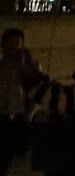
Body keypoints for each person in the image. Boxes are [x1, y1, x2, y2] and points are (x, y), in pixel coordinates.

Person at [1, 28, 40, 175]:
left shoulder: (32, 66)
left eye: (17, 43)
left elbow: (38, 91)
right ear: (2, 45)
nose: (13, 47)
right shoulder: (2, 66)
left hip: (20, 118)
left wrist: (24, 66)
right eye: (9, 43)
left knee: (16, 158)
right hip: (2, 117)